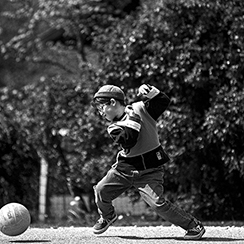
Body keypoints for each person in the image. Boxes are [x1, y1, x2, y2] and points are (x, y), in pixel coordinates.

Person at [92, 84, 205, 240]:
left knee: (157, 204)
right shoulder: (113, 127)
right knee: (100, 190)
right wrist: (133, 117)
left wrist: (152, 92)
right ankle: (107, 216)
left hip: (151, 170)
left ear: (112, 102)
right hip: (124, 169)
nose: (100, 113)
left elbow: (163, 102)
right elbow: (130, 139)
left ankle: (193, 226)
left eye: (101, 107)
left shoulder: (140, 108)